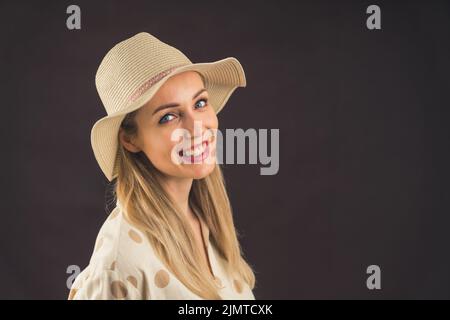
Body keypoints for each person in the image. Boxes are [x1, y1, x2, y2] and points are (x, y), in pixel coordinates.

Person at [68, 32, 256, 300]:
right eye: (168, 117)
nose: (197, 127)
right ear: (130, 139)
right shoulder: (120, 263)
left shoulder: (206, 219)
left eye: (200, 103)